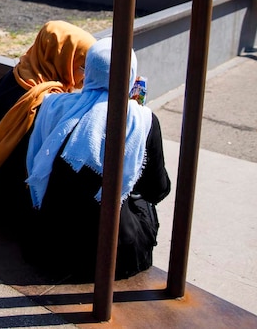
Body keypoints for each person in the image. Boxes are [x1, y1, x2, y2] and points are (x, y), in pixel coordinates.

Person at [22, 37, 171, 281]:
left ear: (88, 70)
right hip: (116, 254)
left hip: (49, 247)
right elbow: (157, 189)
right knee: (141, 200)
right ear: (130, 75)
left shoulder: (54, 105)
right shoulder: (140, 119)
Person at [0, 21, 96, 217]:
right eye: (83, 66)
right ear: (64, 59)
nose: (86, 75)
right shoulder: (47, 100)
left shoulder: (18, 73)